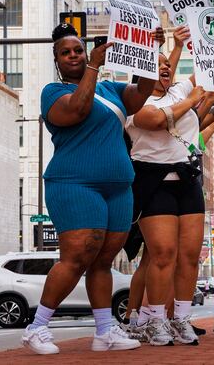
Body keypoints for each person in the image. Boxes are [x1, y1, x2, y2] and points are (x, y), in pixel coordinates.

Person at [21, 23, 164, 355]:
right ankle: (37, 327)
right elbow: (78, 109)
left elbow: (142, 93)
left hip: (117, 187)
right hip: (75, 184)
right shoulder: (52, 91)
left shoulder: (110, 89)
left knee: (103, 261)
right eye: (66, 52)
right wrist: (93, 66)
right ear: (57, 60)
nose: (73, 55)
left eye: (78, 50)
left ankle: (104, 332)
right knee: (77, 256)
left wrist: (150, 52)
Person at [124, 22, 214, 345]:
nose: (165, 70)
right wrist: (195, 96)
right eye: (157, 67)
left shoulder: (177, 90)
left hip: (186, 181)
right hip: (153, 182)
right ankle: (155, 319)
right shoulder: (136, 105)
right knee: (162, 255)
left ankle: (181, 319)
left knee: (189, 255)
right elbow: (159, 121)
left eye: (167, 67)